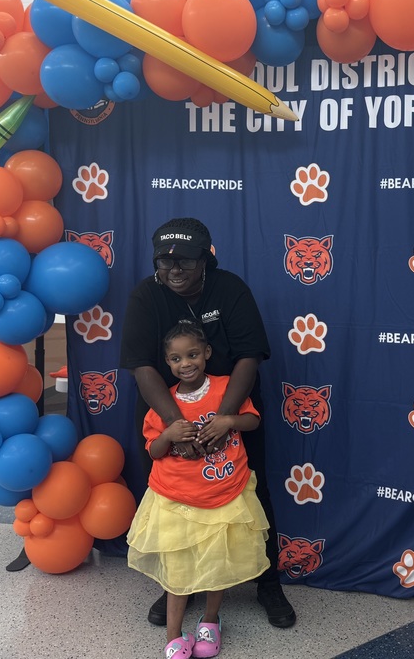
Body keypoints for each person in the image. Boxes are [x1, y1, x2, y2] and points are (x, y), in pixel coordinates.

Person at [120, 217, 297, 629]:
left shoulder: (231, 289)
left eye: (183, 260)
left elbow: (249, 357)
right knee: (173, 503)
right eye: (164, 261)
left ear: (206, 260)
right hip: (164, 413)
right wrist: (174, 427)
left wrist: (225, 421)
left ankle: (267, 582)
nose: (173, 269)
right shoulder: (147, 295)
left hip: (231, 406)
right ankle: (177, 586)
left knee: (252, 495)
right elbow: (141, 366)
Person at [127, 320, 269, 659]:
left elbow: (253, 420)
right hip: (178, 500)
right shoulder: (165, 403)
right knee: (177, 571)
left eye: (192, 354)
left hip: (225, 495)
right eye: (176, 359)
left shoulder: (225, 389)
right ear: (168, 364)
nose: (185, 363)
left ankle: (210, 621)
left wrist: (229, 420)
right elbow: (154, 451)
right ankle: (174, 633)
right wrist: (168, 436)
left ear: (206, 353)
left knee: (217, 565)